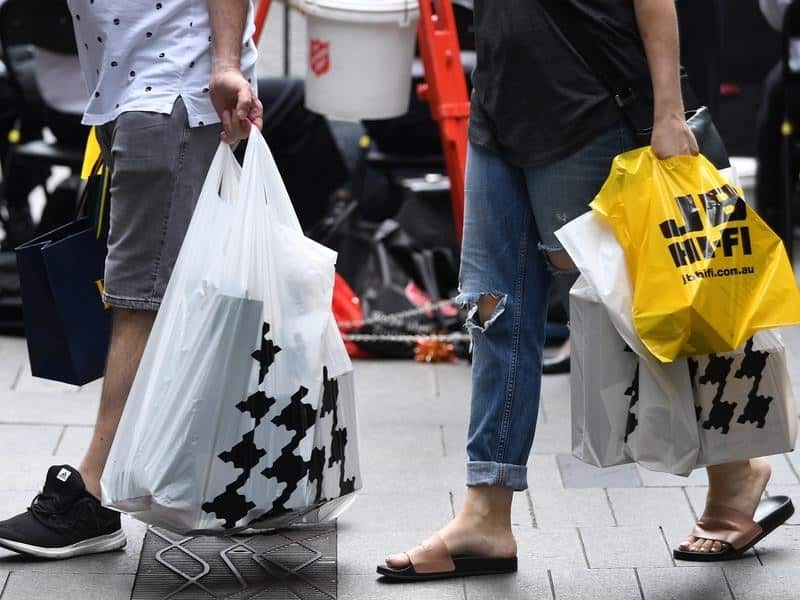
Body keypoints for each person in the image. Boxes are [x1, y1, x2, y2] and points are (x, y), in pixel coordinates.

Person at [378, 0, 788, 581]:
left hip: (597, 107)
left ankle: (736, 471)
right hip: (500, 109)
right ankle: (486, 511)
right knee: (493, 310)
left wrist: (669, 113)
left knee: (661, 300)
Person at [0, 0, 263, 558]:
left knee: (140, 295)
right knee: (164, 290)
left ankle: (92, 493)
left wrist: (224, 64)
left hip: (171, 91)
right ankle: (241, 466)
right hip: (143, 87)